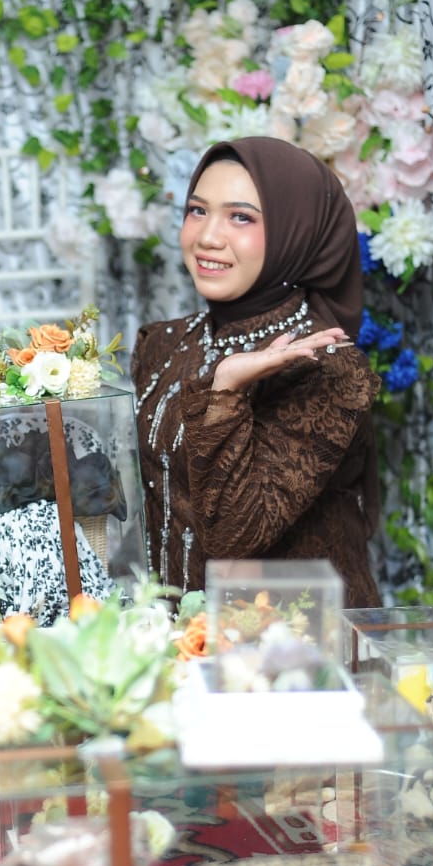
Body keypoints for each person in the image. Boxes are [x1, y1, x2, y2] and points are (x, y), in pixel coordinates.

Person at [132, 136, 380, 606]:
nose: (208, 237)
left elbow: (235, 536)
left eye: (241, 217)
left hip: (292, 637)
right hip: (175, 634)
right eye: (198, 210)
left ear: (295, 232)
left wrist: (226, 389)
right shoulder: (161, 344)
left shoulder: (326, 366)